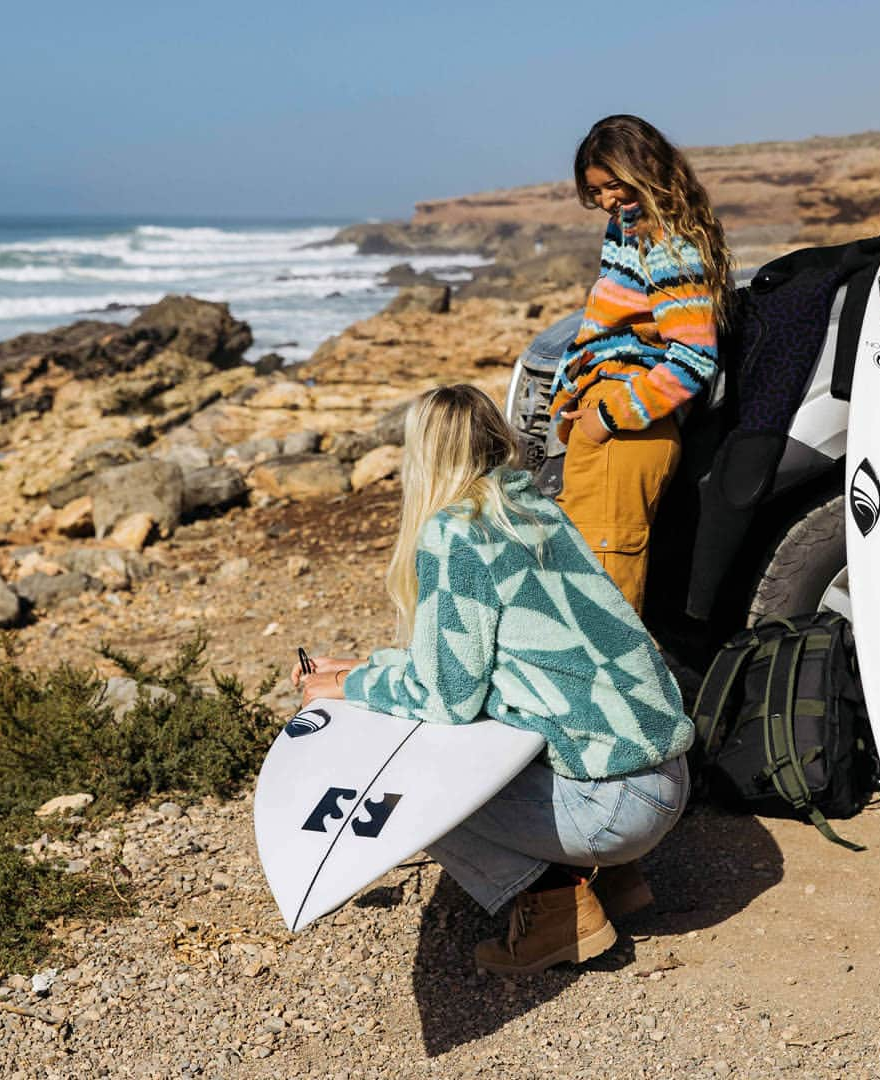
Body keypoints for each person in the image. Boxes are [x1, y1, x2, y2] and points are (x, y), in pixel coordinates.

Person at [293, 384, 693, 976]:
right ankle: (616, 881)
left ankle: (558, 912)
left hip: (613, 804)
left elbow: (447, 697)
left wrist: (349, 692)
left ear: (423, 456)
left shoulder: (458, 533)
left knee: (409, 782)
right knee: (498, 718)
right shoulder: (531, 507)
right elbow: (467, 659)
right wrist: (364, 668)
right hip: (664, 777)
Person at [550, 115, 733, 613]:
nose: (607, 199)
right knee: (585, 595)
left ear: (645, 169)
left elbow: (695, 359)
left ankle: (620, 694)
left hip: (626, 430)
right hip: (610, 427)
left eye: (614, 185)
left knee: (604, 608)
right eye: (596, 191)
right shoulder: (631, 229)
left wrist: (607, 418)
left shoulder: (668, 242)